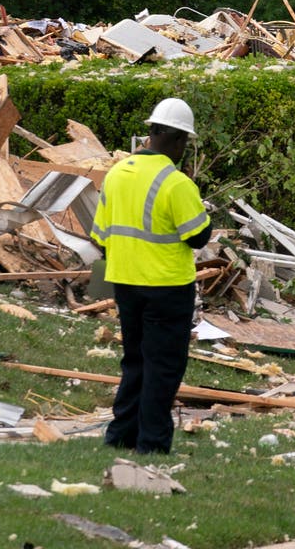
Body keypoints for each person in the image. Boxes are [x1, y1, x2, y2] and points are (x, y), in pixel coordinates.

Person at [91, 97, 212, 454]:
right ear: (177, 139)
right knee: (163, 368)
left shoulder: (117, 174)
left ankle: (120, 436)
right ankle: (153, 444)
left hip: (125, 283)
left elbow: (99, 237)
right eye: (185, 143)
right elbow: (199, 236)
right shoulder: (175, 183)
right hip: (167, 287)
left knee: (135, 361)